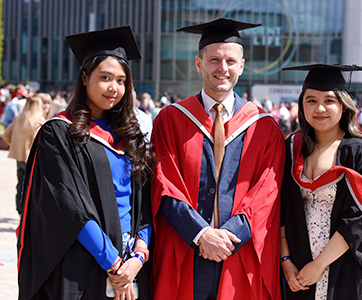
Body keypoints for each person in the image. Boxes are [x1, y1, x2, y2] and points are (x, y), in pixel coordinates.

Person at [150, 18, 285, 300]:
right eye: (214, 60)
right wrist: (201, 235)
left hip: (239, 253)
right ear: (199, 64)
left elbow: (266, 192)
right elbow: (164, 183)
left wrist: (227, 238)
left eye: (230, 61)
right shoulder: (170, 120)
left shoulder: (264, 126)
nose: (222, 68)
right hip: (186, 249)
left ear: (242, 66)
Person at [17, 26, 155, 300]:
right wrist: (114, 265)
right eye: (105, 77)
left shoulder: (130, 136)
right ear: (84, 77)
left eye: (121, 80)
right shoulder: (59, 133)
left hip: (131, 266)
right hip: (84, 266)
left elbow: (145, 204)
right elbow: (71, 209)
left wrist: (139, 255)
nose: (113, 88)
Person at [280, 64, 362, 300]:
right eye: (311, 100)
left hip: (346, 266)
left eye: (329, 100)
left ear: (344, 106)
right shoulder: (292, 148)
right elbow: (281, 209)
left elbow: (360, 217)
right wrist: (285, 260)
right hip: (299, 267)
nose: (320, 108)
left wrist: (319, 266)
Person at [3, 96, 45, 215]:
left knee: (20, 184)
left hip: (19, 157)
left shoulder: (19, 119)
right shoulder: (39, 121)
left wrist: (15, 145)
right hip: (33, 158)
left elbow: (6, 135)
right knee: (32, 187)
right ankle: (27, 212)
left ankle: (20, 209)